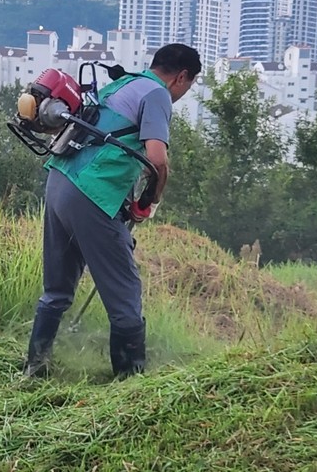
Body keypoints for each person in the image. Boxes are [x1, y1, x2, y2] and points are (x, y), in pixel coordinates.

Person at [23, 43, 202, 380]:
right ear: (181, 77)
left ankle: (35, 366)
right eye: (188, 85)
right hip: (91, 194)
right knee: (125, 294)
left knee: (57, 289)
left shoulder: (121, 82)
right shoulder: (158, 95)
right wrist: (150, 201)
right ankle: (129, 380)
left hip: (59, 181)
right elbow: (158, 160)